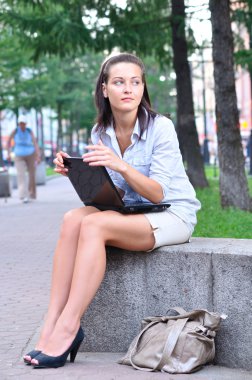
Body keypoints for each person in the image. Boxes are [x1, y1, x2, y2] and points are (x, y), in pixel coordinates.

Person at [24, 53, 201, 369]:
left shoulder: (161, 128)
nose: (128, 89)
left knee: (94, 226)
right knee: (72, 219)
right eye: (119, 82)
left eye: (135, 82)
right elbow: (117, 196)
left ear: (142, 87)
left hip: (173, 215)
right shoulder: (100, 131)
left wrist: (119, 163)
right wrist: (81, 175)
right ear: (105, 89)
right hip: (134, 212)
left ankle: (70, 326)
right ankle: (51, 321)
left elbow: (157, 191)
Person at [7, 114, 40, 203]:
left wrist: (38, 155)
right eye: (21, 123)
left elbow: (35, 143)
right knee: (20, 174)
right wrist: (8, 153)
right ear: (19, 124)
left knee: (32, 174)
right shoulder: (15, 131)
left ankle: (31, 193)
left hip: (30, 153)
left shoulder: (29, 131)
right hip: (19, 154)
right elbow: (9, 141)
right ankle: (23, 195)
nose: (22, 125)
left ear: (26, 123)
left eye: (24, 123)